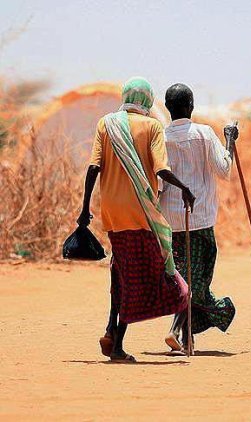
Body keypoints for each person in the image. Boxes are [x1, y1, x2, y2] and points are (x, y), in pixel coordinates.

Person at [77, 77, 194, 362]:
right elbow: (161, 170)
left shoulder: (106, 124)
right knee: (140, 277)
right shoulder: (152, 126)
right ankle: (117, 345)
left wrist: (84, 210)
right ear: (147, 100)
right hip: (141, 215)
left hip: (113, 215)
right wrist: (185, 188)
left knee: (120, 271)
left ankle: (110, 331)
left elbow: (94, 167)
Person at [160, 83, 238, 352]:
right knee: (198, 279)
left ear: (168, 108)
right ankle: (175, 330)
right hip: (201, 218)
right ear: (191, 106)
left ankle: (185, 334)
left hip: (171, 220)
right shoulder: (204, 134)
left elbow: (157, 181)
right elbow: (224, 169)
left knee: (182, 276)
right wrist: (230, 140)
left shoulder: (160, 137)